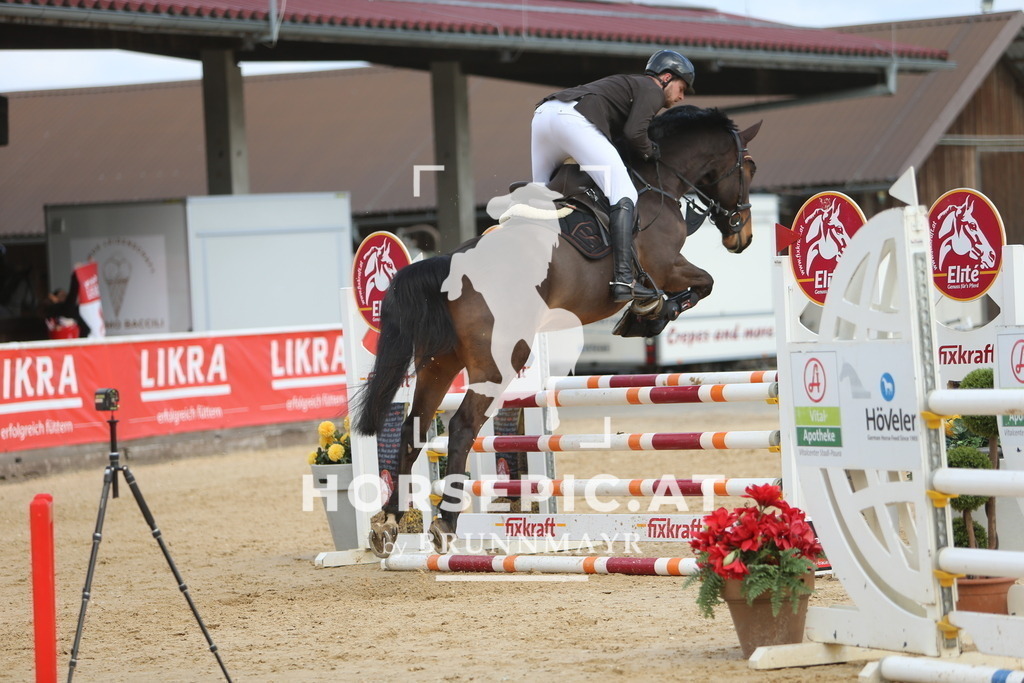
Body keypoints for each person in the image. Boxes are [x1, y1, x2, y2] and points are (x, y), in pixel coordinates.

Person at [531, 49, 695, 302]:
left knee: (541, 194)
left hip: (543, 115)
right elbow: (634, 134)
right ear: (665, 77)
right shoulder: (651, 89)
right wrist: (652, 152)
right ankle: (622, 279)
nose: (682, 96)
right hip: (572, 121)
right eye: (682, 87)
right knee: (624, 192)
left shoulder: (629, 86)